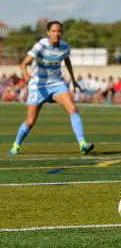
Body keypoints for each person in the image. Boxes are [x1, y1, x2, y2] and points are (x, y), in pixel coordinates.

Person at [8, 21, 95, 156]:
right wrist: (25, 74)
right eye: (53, 31)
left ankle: (83, 144)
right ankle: (16, 145)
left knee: (72, 108)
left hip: (56, 84)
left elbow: (67, 61)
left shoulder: (65, 47)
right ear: (48, 33)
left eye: (59, 31)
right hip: (38, 85)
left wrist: (73, 80)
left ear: (62, 33)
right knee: (30, 121)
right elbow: (24, 63)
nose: (56, 34)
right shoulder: (41, 45)